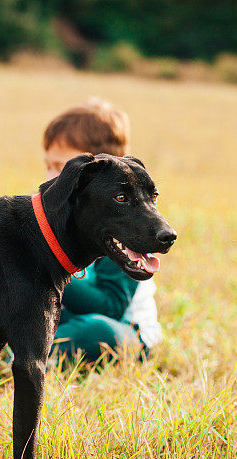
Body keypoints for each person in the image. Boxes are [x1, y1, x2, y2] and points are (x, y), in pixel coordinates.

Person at [43, 98, 163, 364]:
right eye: (49, 165)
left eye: (62, 168)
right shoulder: (57, 216)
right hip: (71, 316)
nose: (52, 178)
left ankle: (18, 362)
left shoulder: (124, 226)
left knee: (97, 331)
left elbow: (110, 306)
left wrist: (52, 269)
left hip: (126, 331)